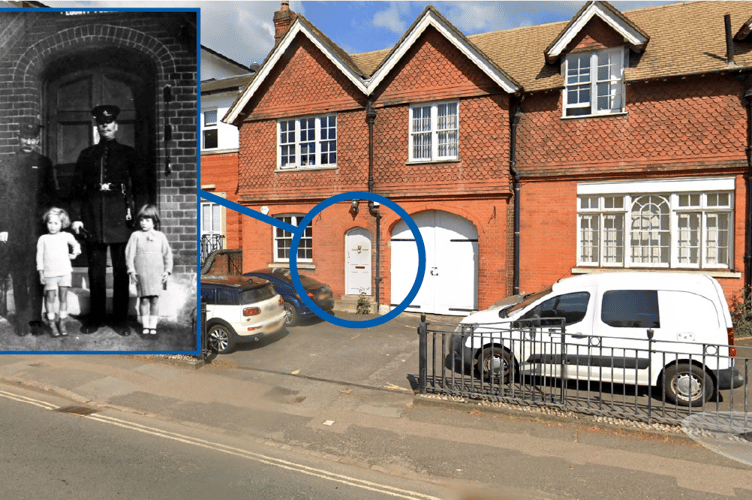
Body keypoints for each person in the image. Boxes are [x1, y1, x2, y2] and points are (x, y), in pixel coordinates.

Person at [70, 105, 145, 336]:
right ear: (97, 126)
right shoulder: (86, 154)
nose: (106, 126)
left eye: (109, 122)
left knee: (121, 271)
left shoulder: (128, 153)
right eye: (102, 123)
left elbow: (141, 188)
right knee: (96, 271)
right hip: (93, 218)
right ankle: (96, 318)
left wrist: (141, 216)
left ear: (116, 125)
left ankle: (120, 321)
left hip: (121, 217)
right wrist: (76, 218)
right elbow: (76, 190)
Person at [0, 117, 57, 336]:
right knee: (18, 273)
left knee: (36, 273)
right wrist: (2, 228)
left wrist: (50, 221)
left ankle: (35, 320)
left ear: (37, 139)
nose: (28, 141)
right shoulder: (7, 163)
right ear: (18, 137)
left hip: (37, 228)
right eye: (25, 137)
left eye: (32, 138)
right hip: (14, 228)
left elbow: (51, 194)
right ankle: (22, 320)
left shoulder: (44, 162)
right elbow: (2, 197)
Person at [125, 204, 173, 336]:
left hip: (156, 272)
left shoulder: (160, 236)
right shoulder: (135, 235)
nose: (144, 223)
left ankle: (153, 325)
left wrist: (167, 271)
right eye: (141, 220)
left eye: (147, 220)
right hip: (142, 272)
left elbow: (167, 254)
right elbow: (129, 254)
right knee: (144, 299)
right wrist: (131, 270)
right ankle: (145, 325)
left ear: (154, 221)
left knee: (155, 299)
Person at [36, 208, 81, 337]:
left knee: (63, 297)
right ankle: (51, 323)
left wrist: (74, 254)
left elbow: (76, 245)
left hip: (65, 272)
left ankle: (62, 322)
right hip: (50, 274)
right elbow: (39, 257)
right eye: (50, 223)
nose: (52, 226)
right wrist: (41, 273)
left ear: (62, 224)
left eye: (56, 223)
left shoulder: (66, 236)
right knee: (50, 298)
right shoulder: (43, 238)